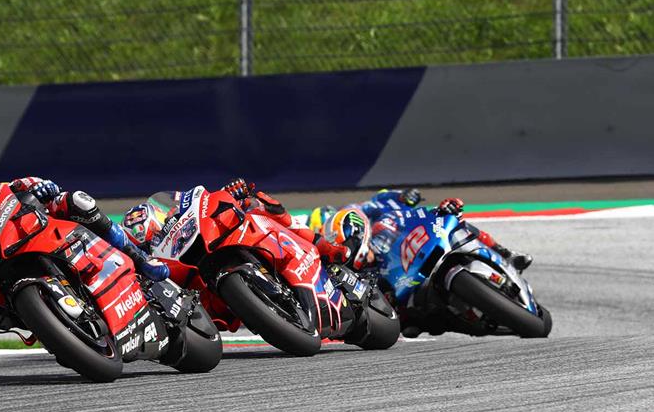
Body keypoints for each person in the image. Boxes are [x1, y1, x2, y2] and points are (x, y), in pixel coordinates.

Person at [0, 178, 169, 331]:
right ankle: (62, 329)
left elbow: (7, 190)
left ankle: (139, 258)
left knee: (75, 201)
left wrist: (36, 187)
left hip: (14, 241)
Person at [121, 178, 351, 265]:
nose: (153, 240)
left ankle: (325, 248)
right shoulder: (152, 261)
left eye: (155, 232)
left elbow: (205, 204)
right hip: (193, 278)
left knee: (257, 206)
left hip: (217, 241)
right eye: (145, 244)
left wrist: (230, 193)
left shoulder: (176, 213)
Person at [309, 188, 532, 271]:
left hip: (409, 232)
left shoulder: (362, 210)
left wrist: (404, 196)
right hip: (389, 267)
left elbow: (390, 197)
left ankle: (506, 254)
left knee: (455, 220)